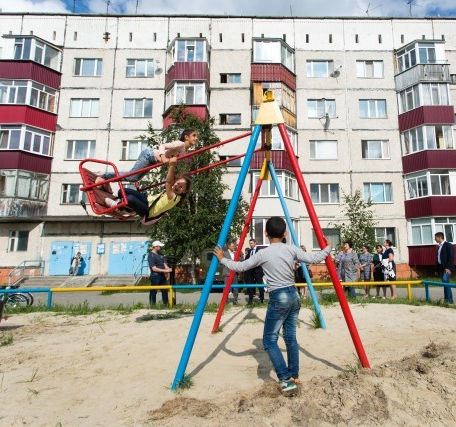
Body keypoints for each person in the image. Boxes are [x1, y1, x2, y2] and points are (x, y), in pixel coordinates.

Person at [214, 216, 331, 394]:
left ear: (266, 233)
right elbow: (314, 258)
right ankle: (294, 375)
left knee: (269, 341)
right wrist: (328, 247)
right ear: (285, 233)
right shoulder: (291, 249)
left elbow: (240, 267)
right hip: (294, 295)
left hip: (279, 296)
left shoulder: (263, 253)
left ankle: (285, 379)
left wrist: (222, 259)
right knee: (290, 338)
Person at [105, 156, 191, 224]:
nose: (177, 186)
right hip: (147, 199)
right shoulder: (174, 190)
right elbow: (171, 181)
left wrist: (172, 165)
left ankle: (116, 206)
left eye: (181, 187)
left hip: (148, 211)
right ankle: (126, 208)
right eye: (178, 183)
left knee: (129, 198)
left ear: (184, 191)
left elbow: (168, 182)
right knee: (122, 190)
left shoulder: (174, 197)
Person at [97, 129, 198, 184]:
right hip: (149, 155)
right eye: (194, 135)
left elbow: (174, 165)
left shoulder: (184, 151)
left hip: (152, 160)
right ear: (186, 137)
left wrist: (180, 176)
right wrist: (163, 157)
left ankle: (106, 179)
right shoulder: (180, 144)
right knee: (132, 176)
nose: (196, 138)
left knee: (134, 179)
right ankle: (105, 177)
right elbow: (162, 146)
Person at [147, 241, 172, 306]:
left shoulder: (160, 254)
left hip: (162, 275)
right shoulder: (151, 255)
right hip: (155, 275)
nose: (160, 247)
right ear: (155, 247)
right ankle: (153, 305)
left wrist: (168, 269)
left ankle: (166, 304)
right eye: (159, 246)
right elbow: (154, 268)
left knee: (164, 290)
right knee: (154, 291)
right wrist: (166, 271)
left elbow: (163, 263)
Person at [435, 232, 455, 304]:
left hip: (447, 268)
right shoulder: (439, 247)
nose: (435, 239)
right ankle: (448, 299)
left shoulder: (448, 245)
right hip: (441, 268)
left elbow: (451, 257)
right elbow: (438, 259)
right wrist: (437, 270)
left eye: (436, 238)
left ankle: (449, 300)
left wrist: (448, 267)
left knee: (445, 282)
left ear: (440, 237)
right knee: (445, 283)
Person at [244, 238, 264, 304]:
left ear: (255, 243)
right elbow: (246, 260)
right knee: (250, 286)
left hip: (258, 271)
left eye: (252, 243)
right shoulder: (249, 251)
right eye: (250, 243)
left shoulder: (259, 251)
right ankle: (250, 300)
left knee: (260, 285)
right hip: (250, 271)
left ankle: (262, 300)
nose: (251, 245)